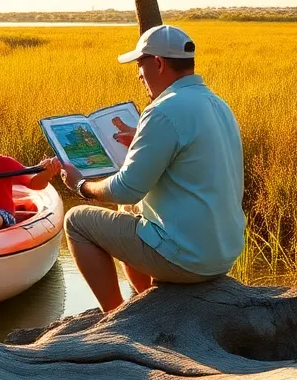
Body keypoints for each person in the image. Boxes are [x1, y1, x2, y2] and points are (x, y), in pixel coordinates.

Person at [58, 25, 244, 312]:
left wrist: (81, 186)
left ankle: (114, 317)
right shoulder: (216, 103)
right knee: (127, 213)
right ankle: (149, 305)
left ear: (158, 63)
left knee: (76, 221)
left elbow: (126, 189)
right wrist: (141, 140)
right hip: (223, 253)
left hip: (188, 259)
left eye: (140, 65)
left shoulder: (162, 110)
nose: (138, 74)